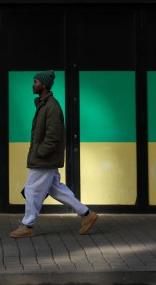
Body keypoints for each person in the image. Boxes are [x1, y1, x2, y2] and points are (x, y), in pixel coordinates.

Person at [10, 70, 98, 238]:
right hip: (44, 157)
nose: (33, 84)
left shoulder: (52, 106)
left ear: (43, 85)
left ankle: (28, 225)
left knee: (32, 190)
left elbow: (54, 135)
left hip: (45, 159)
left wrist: (41, 152)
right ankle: (87, 215)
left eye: (35, 82)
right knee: (56, 189)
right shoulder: (44, 104)